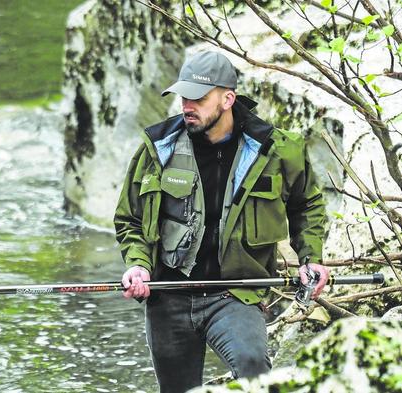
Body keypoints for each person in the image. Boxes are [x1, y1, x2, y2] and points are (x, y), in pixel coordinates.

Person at [113, 50, 329, 393]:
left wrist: (310, 258)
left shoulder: (276, 150)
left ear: (228, 98)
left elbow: (307, 205)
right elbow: (129, 220)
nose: (187, 105)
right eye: (184, 97)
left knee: (254, 368)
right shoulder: (158, 148)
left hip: (235, 295)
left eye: (198, 98)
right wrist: (138, 266)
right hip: (169, 296)